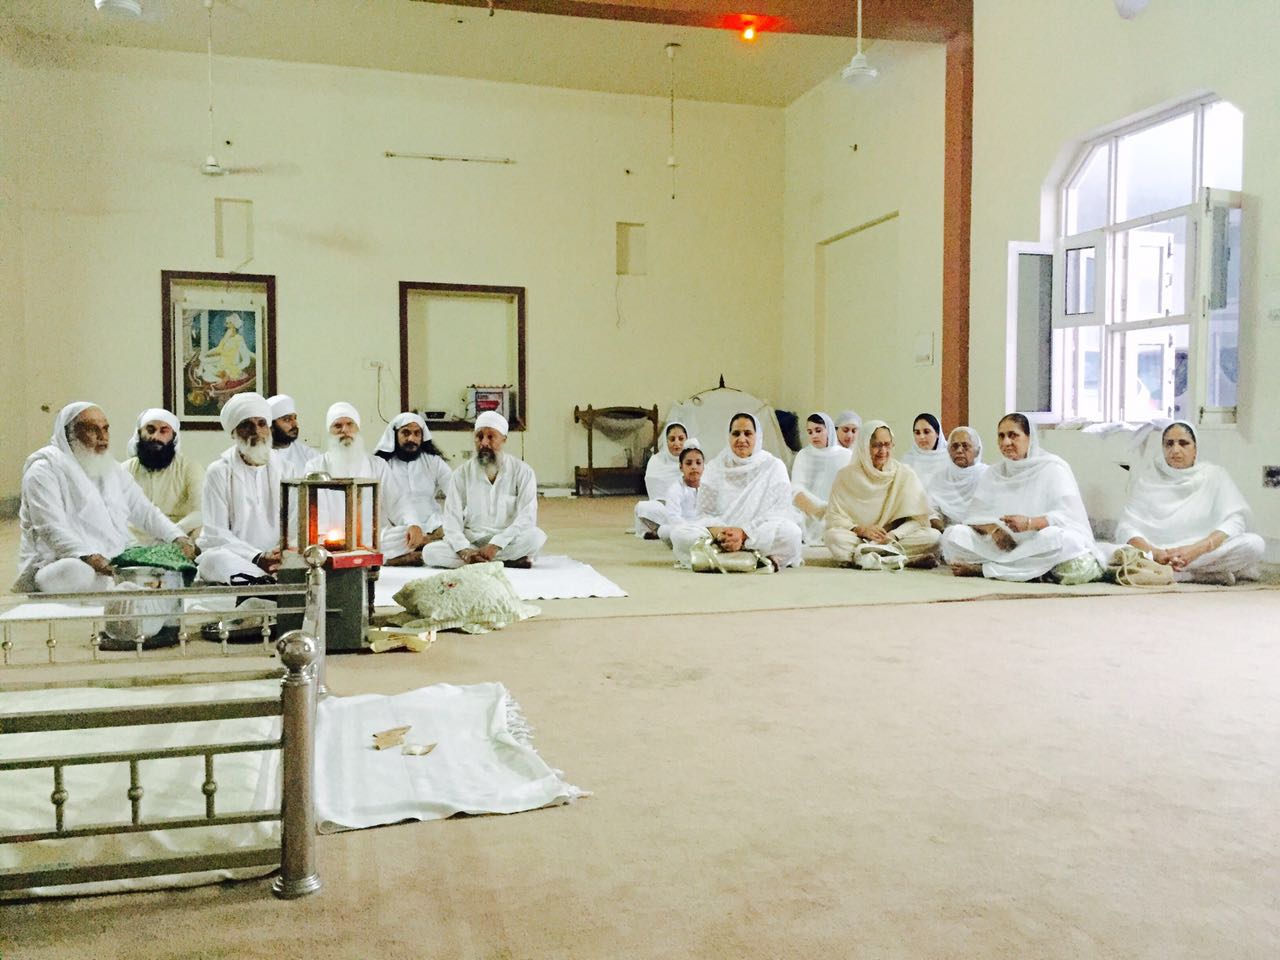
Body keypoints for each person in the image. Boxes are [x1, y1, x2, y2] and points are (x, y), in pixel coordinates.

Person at [15, 402, 193, 593]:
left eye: (105, 429)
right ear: (69, 434)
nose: (102, 437)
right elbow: (51, 528)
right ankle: (120, 588)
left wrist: (178, 537)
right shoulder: (43, 470)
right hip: (59, 562)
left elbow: (144, 511)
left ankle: (119, 588)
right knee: (76, 572)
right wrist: (90, 557)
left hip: (111, 559)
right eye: (92, 429)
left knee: (166, 559)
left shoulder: (111, 468)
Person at [941, 413, 1104, 582]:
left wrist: (1029, 523)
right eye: (1001, 436)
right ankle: (1027, 570)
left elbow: (1068, 516)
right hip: (1001, 545)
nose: (1006, 442)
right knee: (953, 535)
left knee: (1060, 539)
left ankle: (986, 569)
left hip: (1036, 540)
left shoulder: (1052, 467)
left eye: (1013, 435)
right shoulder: (994, 473)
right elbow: (974, 516)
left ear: (1029, 438)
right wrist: (993, 530)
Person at [1115, 421, 1264, 584]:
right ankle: (1202, 575)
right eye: (1169, 444)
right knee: (1110, 552)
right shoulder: (1148, 480)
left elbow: (1235, 521)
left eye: (1183, 443)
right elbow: (1126, 528)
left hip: (1201, 551)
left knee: (1253, 544)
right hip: (1157, 551)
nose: (1175, 450)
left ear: (1195, 449)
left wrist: (1195, 550)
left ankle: (1176, 574)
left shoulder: (1214, 475)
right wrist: (1157, 553)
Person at [669, 413, 803, 571]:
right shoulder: (715, 467)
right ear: (728, 436)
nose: (741, 439)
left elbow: (780, 511)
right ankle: (753, 559)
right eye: (736, 433)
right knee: (679, 534)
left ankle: (720, 558)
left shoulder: (773, 466)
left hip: (755, 533)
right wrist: (721, 533)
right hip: (721, 535)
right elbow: (704, 514)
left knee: (792, 534)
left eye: (748, 433)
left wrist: (744, 533)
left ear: (757, 436)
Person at [422, 412, 547, 569]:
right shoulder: (461, 473)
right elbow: (452, 519)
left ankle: (480, 561)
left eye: (491, 437)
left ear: (504, 439)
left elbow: (527, 517)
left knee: (536, 537)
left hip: (507, 540)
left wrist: (496, 545)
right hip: (472, 540)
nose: (484, 443)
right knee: (430, 553)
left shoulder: (523, 471)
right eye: (479, 437)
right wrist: (464, 550)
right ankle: (506, 560)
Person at [823, 420, 940, 567]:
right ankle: (897, 559)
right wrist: (862, 530)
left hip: (892, 539)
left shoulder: (904, 473)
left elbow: (918, 519)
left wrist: (893, 535)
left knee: (934, 537)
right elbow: (834, 517)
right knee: (833, 537)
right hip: (859, 538)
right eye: (876, 445)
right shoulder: (845, 476)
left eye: (887, 444)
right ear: (864, 446)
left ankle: (865, 556)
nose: (883, 451)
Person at [196, 393, 285, 583]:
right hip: (236, 557)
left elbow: (295, 524)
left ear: (269, 428)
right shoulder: (218, 471)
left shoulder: (287, 469)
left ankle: (258, 583)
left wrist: (280, 554)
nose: (256, 431)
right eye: (246, 425)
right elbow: (216, 533)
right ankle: (263, 583)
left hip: (279, 556)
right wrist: (256, 557)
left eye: (261, 423)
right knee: (212, 560)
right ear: (233, 433)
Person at [303, 402, 403, 554]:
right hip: (331, 541)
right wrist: (326, 539)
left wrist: (411, 525)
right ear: (329, 431)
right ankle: (387, 558)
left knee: (403, 535)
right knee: (313, 544)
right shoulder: (315, 466)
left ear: (358, 429)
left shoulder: (378, 465)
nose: (345, 430)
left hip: (373, 539)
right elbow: (316, 513)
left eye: (350, 424)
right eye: (337, 426)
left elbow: (396, 502)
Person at [375, 412, 454, 565]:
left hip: (433, 529)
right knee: (376, 539)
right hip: (399, 530)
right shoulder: (381, 465)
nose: (411, 438)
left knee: (455, 529)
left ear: (422, 437)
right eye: (405, 433)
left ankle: (415, 550)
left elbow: (455, 492)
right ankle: (420, 550)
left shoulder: (433, 461)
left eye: (417, 433)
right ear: (395, 435)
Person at [121, 408, 203, 538]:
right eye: (150, 430)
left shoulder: (190, 468)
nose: (156, 437)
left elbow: (201, 511)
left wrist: (172, 534)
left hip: (180, 537)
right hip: (134, 540)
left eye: (163, 431)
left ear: (174, 436)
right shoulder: (125, 470)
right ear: (139, 433)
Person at [790, 412, 852, 544]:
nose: (814, 435)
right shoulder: (803, 455)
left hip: (837, 510)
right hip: (808, 510)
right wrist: (817, 509)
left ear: (829, 430)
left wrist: (831, 509)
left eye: (818, 430)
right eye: (810, 432)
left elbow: (852, 489)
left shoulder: (846, 455)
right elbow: (796, 488)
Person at [923, 426, 989, 527]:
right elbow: (932, 511)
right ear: (948, 450)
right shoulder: (940, 478)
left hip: (982, 530)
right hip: (947, 530)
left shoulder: (988, 475)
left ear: (977, 451)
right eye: (954, 446)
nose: (959, 450)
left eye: (965, 446)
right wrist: (941, 528)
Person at [634, 421, 688, 539]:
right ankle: (672, 529)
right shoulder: (656, 461)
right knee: (643, 507)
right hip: (665, 509)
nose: (677, 443)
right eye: (672, 439)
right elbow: (656, 496)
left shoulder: (693, 460)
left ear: (686, 440)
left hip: (688, 510)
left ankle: (662, 530)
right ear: (666, 441)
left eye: (681, 439)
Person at [653, 439, 705, 545]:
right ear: (681, 467)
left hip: (705, 526)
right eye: (689, 463)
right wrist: (690, 528)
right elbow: (673, 517)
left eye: (698, 463)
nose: (694, 467)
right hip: (683, 528)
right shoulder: (675, 489)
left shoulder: (709, 487)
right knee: (664, 531)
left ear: (704, 466)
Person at [267, 394, 319, 479]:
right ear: (271, 425)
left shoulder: (310, 456)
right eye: (287, 419)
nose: (295, 424)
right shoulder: (258, 456)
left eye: (295, 418)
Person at [899, 412, 950, 491]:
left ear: (937, 433)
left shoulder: (950, 458)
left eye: (926, 432)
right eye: (917, 433)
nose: (922, 437)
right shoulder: (908, 460)